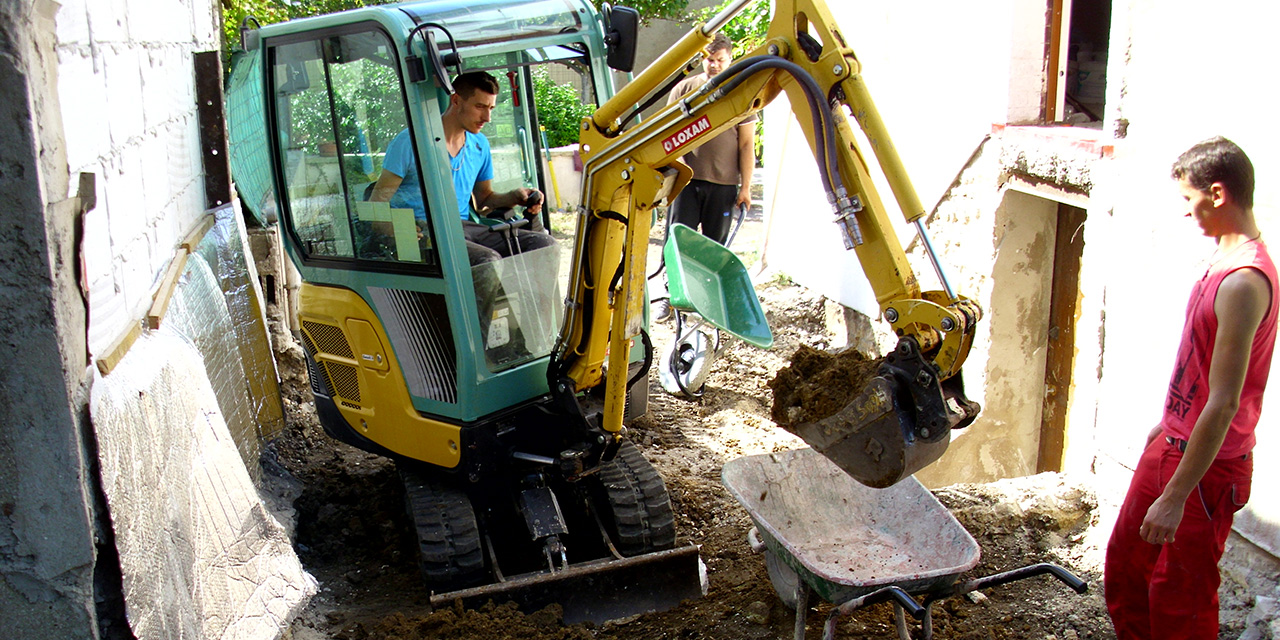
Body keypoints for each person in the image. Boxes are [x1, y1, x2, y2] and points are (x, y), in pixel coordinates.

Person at [1104, 136, 1276, 640]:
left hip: (1207, 468)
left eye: (1188, 198)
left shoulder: (1244, 280)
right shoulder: (1218, 262)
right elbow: (1200, 366)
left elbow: (1224, 403)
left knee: (1181, 600)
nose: (1185, 212)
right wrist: (1167, 423)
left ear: (1218, 194)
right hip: (1175, 441)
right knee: (1126, 571)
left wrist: (1176, 496)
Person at [370, 70, 554, 268]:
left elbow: (484, 200)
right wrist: (396, 229)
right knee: (487, 261)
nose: (487, 117)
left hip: (463, 228)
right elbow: (375, 207)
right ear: (456, 100)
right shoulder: (410, 142)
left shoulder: (479, 144)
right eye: (480, 107)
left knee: (543, 244)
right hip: (424, 233)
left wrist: (515, 197)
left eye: (491, 108)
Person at [653, 33, 756, 321]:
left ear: (730, 59)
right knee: (676, 240)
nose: (713, 65)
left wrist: (745, 187)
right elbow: (667, 133)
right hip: (686, 181)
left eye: (720, 60)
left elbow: (747, 144)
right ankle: (670, 296)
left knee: (714, 247)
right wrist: (672, 172)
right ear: (702, 59)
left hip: (724, 184)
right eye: (709, 60)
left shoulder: (740, 92)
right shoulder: (685, 89)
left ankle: (709, 302)